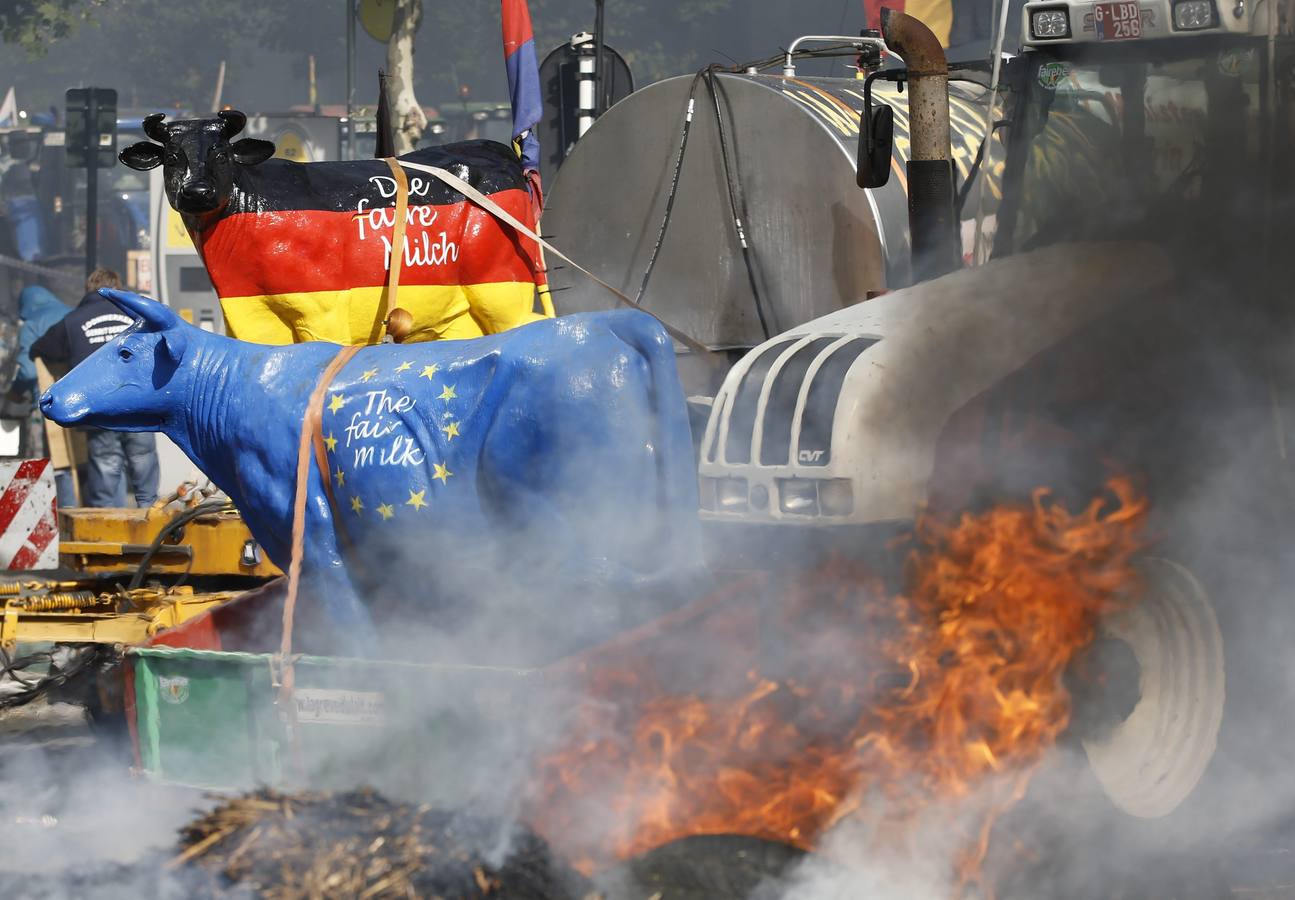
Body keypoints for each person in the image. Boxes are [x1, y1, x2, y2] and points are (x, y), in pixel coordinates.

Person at [30, 268, 159, 508]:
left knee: (107, 469)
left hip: (101, 411)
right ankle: (151, 525)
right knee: (143, 462)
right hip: (140, 407)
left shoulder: (73, 321)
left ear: (88, 290)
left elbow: (40, 349)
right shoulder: (138, 316)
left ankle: (110, 531)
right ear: (118, 287)